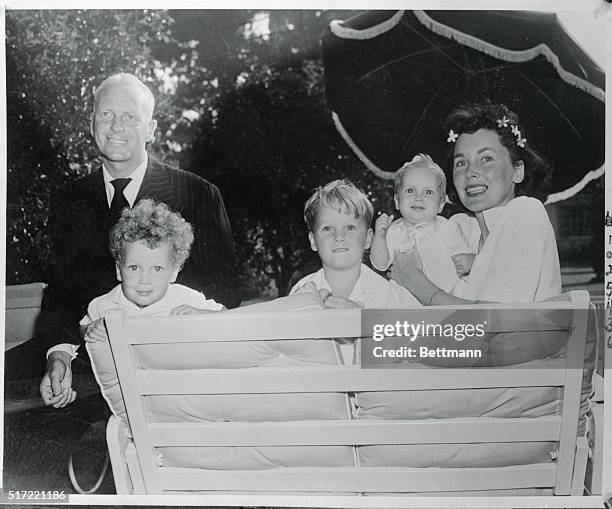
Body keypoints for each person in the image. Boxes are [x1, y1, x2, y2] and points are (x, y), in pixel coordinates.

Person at [38, 73, 240, 407]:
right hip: (88, 373)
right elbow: (60, 297)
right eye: (106, 115)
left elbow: (224, 294)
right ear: (91, 123)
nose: (116, 127)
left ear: (151, 129)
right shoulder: (68, 200)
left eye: (130, 116)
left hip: (175, 377)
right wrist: (58, 358)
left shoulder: (199, 194)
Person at [391, 102, 561, 305]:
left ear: (517, 171)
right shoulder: (458, 227)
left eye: (486, 158)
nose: (470, 172)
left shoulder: (526, 211)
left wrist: (415, 282)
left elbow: (492, 322)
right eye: (461, 163)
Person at [290, 179, 420, 309]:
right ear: (313, 241)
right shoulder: (302, 291)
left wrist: (361, 319)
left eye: (350, 228)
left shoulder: (388, 295)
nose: (339, 237)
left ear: (368, 238)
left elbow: (423, 327)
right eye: (327, 228)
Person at [370, 153, 474, 294]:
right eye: (410, 191)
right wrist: (379, 237)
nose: (418, 197)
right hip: (405, 306)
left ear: (441, 204)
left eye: (428, 192)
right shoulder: (395, 231)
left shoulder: (447, 228)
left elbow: (465, 256)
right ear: (397, 201)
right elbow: (380, 264)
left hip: (445, 300)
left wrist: (469, 261)